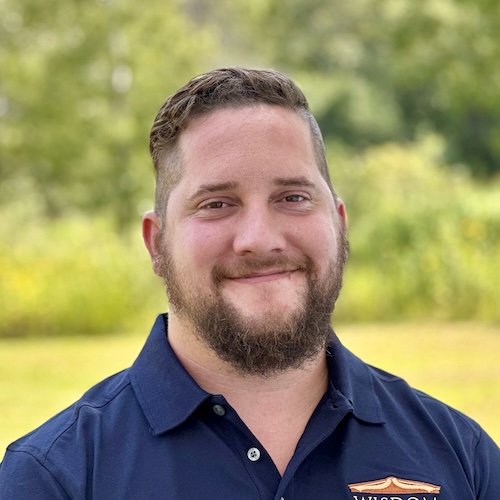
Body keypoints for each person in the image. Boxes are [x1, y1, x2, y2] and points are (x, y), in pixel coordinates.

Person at [0, 67, 498, 499]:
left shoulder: (464, 459)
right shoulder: (53, 479)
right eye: (216, 204)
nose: (259, 239)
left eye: (293, 197)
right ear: (157, 244)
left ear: (340, 225)